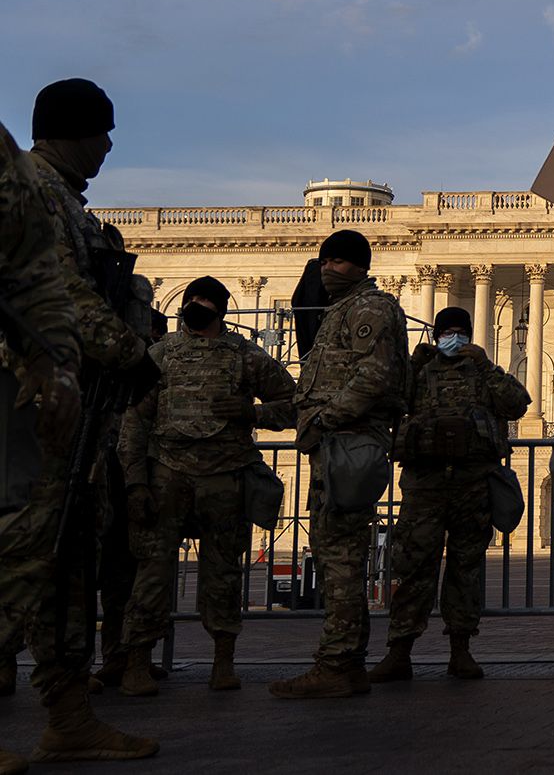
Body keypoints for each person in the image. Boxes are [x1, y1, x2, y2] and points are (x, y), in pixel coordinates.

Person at [0, 119, 155, 766]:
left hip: (69, 404)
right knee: (24, 556)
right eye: (102, 133)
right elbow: (60, 293)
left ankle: (68, 716)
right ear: (72, 132)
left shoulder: (65, 200)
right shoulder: (32, 189)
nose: (109, 147)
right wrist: (131, 352)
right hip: (28, 400)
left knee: (65, 561)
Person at [119, 276, 296, 695]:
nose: (194, 308)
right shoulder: (160, 355)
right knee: (152, 572)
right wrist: (135, 483)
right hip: (167, 474)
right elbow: (135, 422)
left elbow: (294, 404)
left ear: (220, 309)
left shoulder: (245, 355)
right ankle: (137, 661)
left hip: (225, 476)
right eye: (190, 301)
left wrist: (253, 413)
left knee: (223, 574)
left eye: (203, 302)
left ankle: (223, 660)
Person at [271, 229, 409, 699]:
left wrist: (325, 419)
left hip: (349, 444)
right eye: (325, 261)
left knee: (342, 559)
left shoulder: (368, 308)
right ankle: (346, 662)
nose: (328, 269)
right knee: (336, 557)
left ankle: (338, 664)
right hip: (335, 444)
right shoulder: (339, 310)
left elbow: (374, 376)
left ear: (360, 266)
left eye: (338, 261)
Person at [369, 305, 530, 685]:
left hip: (471, 484)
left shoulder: (482, 372)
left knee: (465, 570)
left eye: (460, 331)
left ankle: (461, 650)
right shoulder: (419, 373)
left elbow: (517, 403)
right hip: (424, 485)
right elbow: (386, 401)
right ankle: (399, 651)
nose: (453, 338)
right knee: (413, 567)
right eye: (447, 332)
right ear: (436, 335)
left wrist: (486, 365)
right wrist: (412, 362)